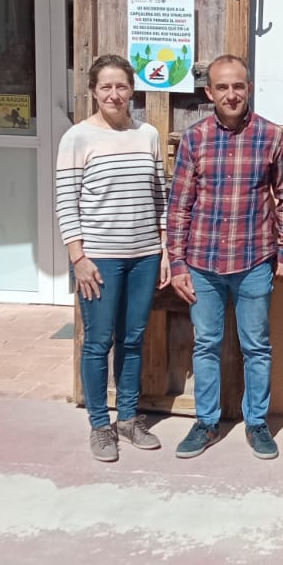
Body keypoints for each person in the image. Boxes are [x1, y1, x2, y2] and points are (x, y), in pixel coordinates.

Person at [165, 54, 283, 461]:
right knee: (206, 344)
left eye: (238, 86)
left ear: (249, 89)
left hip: (255, 260)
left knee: (257, 346)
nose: (231, 94)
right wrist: (178, 262)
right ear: (209, 93)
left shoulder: (271, 137)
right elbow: (179, 205)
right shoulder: (195, 138)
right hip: (203, 263)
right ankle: (206, 422)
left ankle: (256, 423)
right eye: (222, 87)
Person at [56, 54, 171, 462]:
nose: (114, 94)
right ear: (93, 91)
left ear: (132, 90)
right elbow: (66, 202)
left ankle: (128, 417)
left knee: (133, 339)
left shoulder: (149, 136)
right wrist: (78, 257)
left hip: (143, 256)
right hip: (99, 259)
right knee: (98, 342)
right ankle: (99, 427)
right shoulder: (77, 138)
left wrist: (163, 250)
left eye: (121, 86)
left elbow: (161, 196)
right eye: (105, 86)